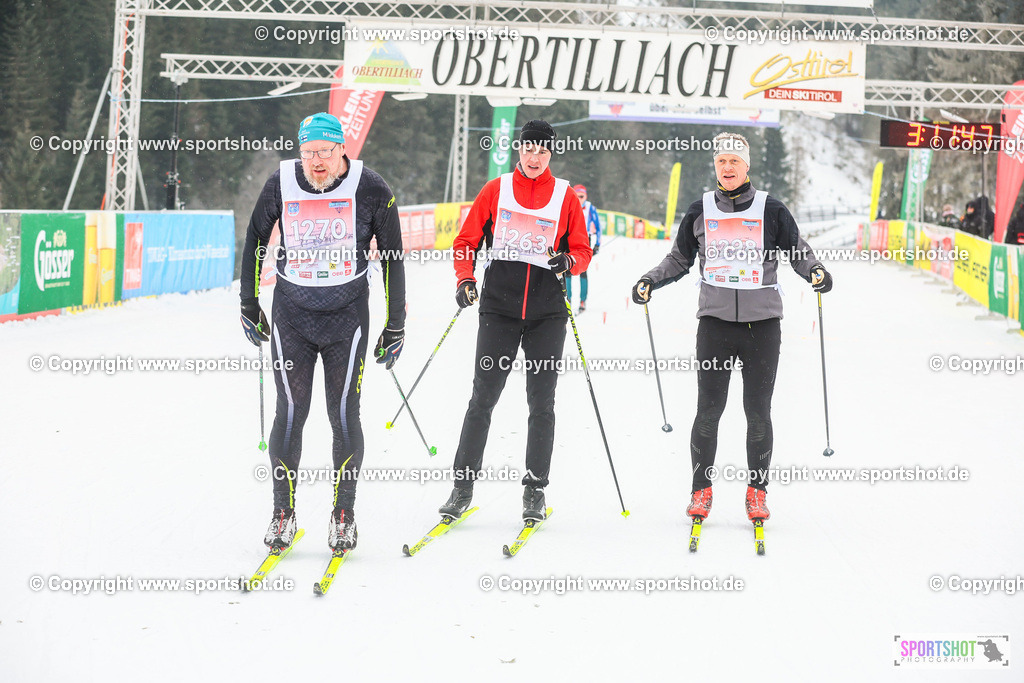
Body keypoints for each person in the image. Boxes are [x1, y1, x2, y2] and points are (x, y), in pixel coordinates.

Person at [631, 132, 832, 526]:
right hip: (715, 326)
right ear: (715, 166)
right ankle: (700, 490)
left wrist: (817, 272)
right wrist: (650, 280)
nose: (727, 167)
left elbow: (798, 251)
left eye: (735, 161)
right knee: (709, 410)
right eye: (722, 161)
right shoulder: (700, 210)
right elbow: (679, 259)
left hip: (763, 326)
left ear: (747, 166)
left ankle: (757, 493)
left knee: (757, 412)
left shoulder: (771, 209)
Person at [239, 112, 406, 551]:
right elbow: (256, 237)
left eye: (324, 153)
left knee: (344, 414)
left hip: (347, 317)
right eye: (307, 151)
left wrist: (396, 325)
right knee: (291, 413)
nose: (315, 161)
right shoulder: (281, 182)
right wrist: (248, 303)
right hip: (292, 314)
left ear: (341, 150)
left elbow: (393, 258)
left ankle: (344, 513)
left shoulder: (372, 189)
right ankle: (282, 513)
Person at [440, 119, 592, 522]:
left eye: (543, 151)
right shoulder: (496, 190)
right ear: (518, 150)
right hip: (500, 310)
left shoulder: (565, 197)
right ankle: (462, 487)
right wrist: (465, 278)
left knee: (542, 403)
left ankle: (534, 490)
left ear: (550, 154)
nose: (535, 157)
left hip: (547, 315)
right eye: (530, 149)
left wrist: (570, 262)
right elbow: (466, 241)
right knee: (482, 399)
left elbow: (582, 250)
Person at [565, 184, 601, 313]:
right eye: (577, 195)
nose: (579, 198)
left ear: (585, 196)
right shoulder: (569, 204)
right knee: (567, 269)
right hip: (570, 239)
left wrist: (597, 244)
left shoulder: (590, 208)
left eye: (582, 196)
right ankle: (567, 299)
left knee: (582, 271)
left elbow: (598, 227)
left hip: (585, 239)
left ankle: (582, 300)